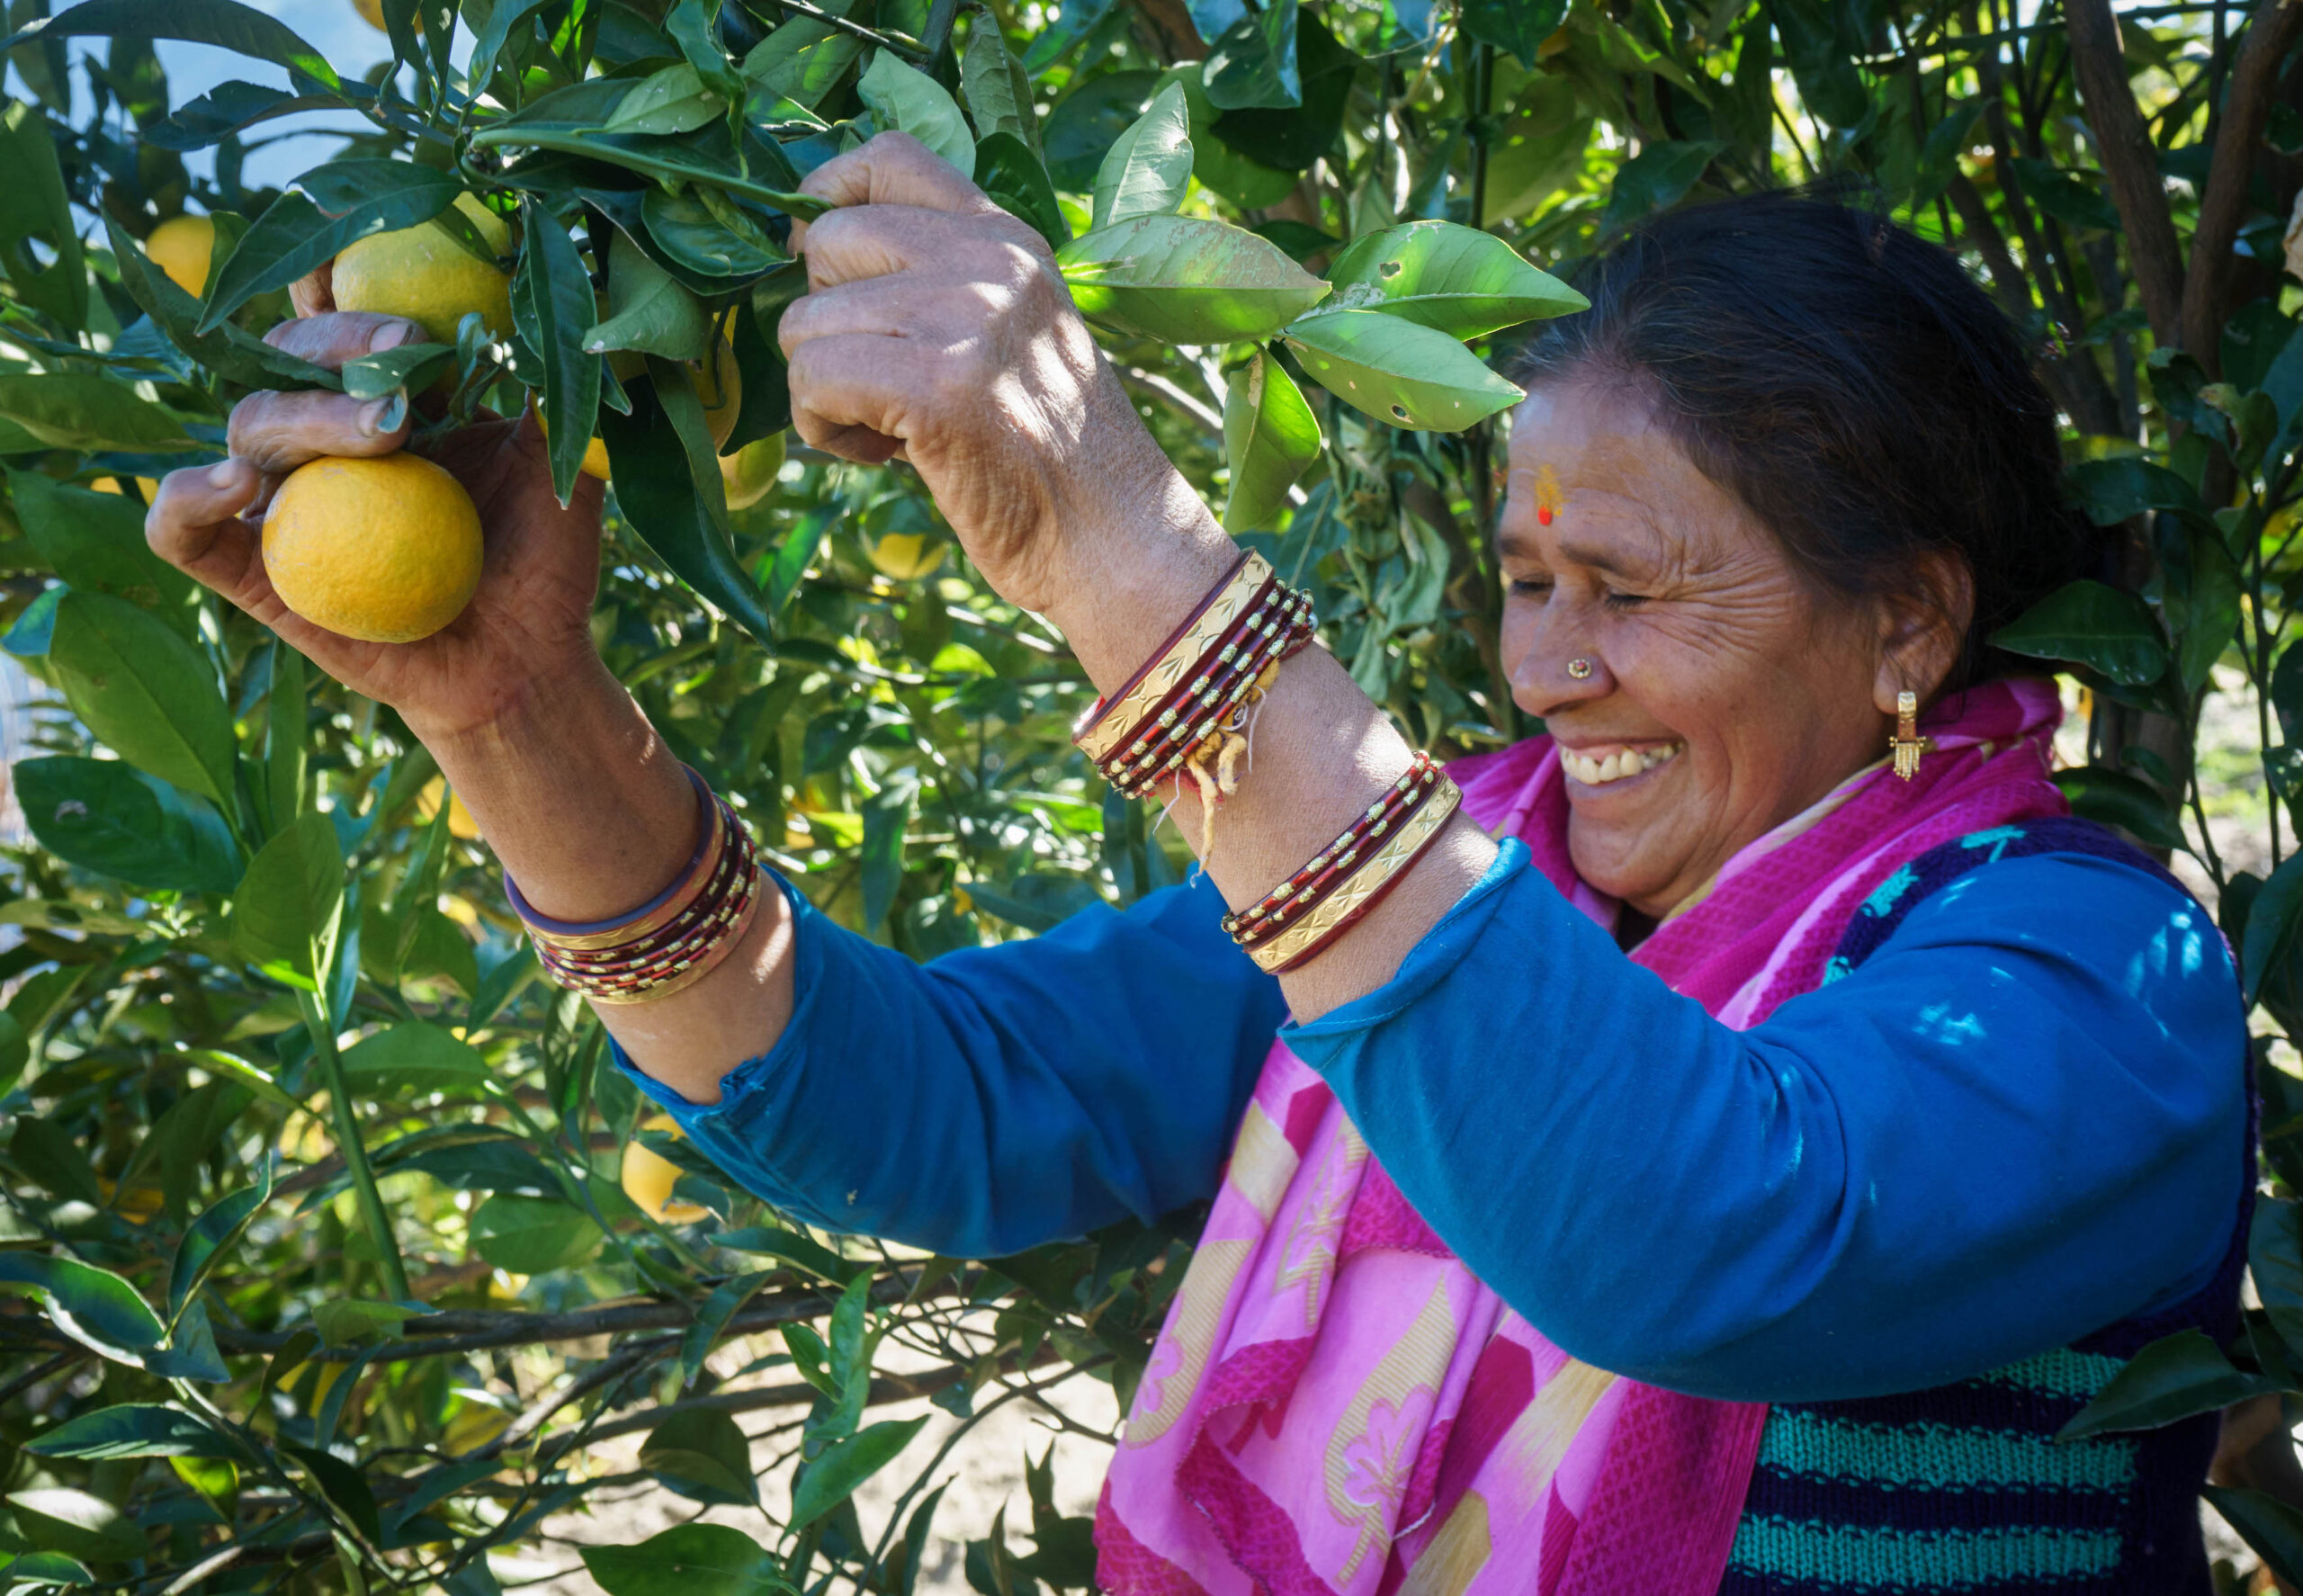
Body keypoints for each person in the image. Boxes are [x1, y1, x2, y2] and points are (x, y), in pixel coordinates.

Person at [148, 138, 2247, 1595]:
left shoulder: (2082, 974)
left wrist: (1121, 550)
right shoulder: (1448, 879)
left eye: (1626, 585)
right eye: (1523, 577)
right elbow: (914, 1104)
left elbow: (1704, 1224)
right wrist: (510, 711)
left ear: (1904, 620)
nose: (1540, 662)